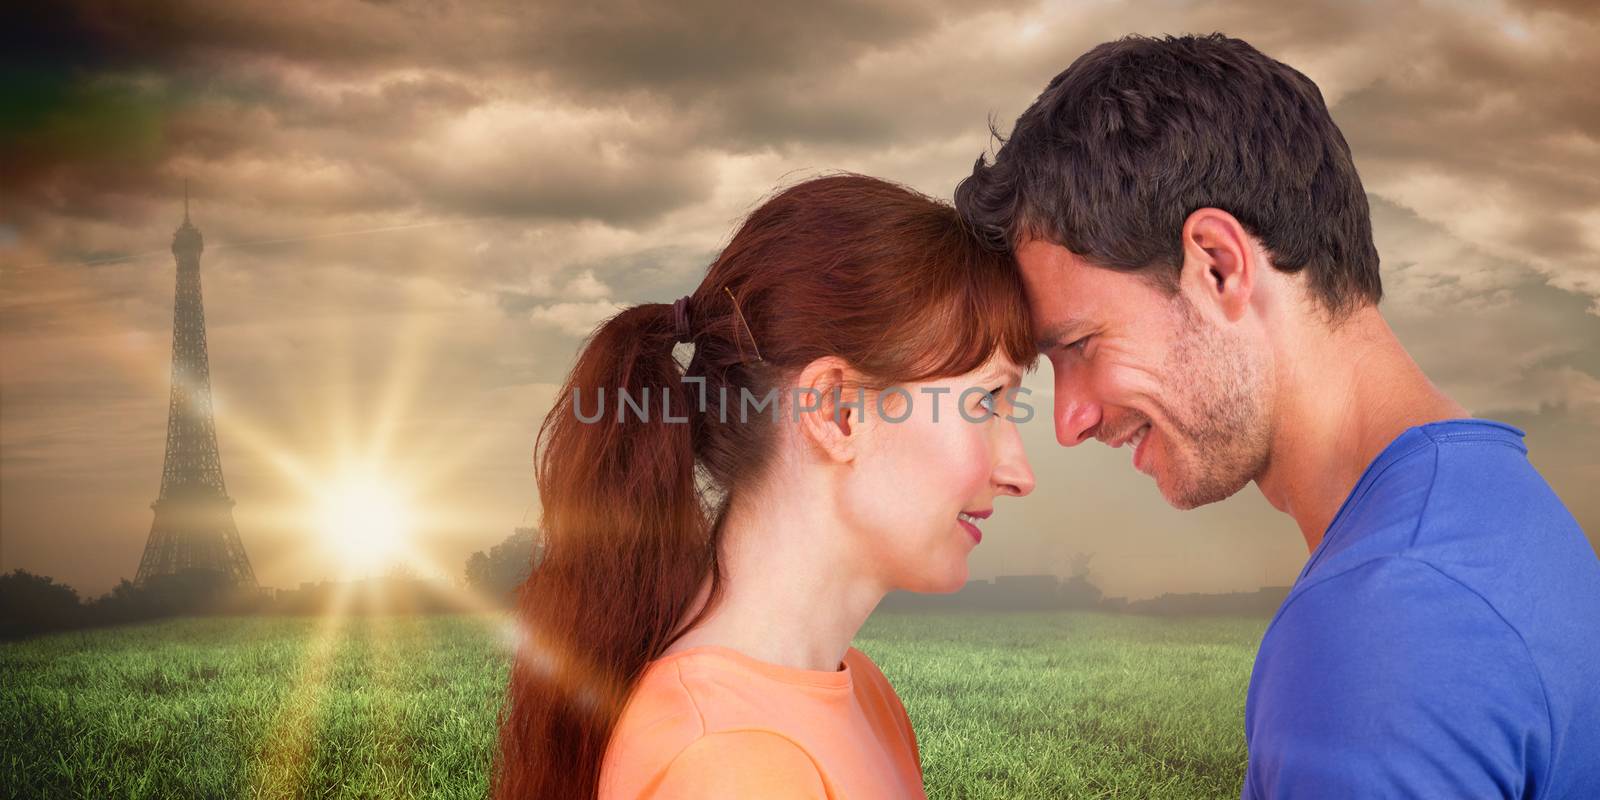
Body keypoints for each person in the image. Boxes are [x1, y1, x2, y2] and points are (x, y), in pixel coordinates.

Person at [955, 33, 1600, 799]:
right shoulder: (1503, 516)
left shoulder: (1381, 628)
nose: (1068, 421)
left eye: (1081, 344)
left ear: (1220, 266)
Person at [491, 174, 1037, 799]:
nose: (1019, 474)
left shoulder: (863, 695)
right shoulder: (730, 764)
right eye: (987, 401)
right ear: (837, 411)